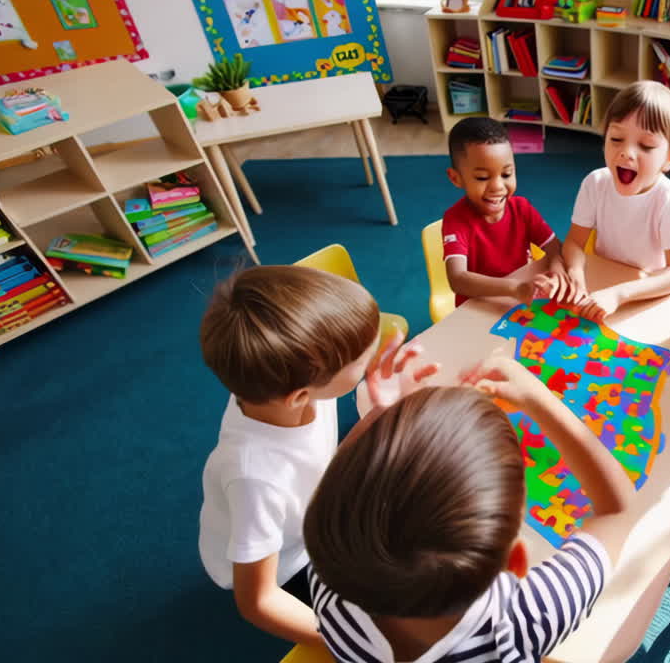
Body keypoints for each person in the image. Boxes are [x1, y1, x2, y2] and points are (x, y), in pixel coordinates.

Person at [303, 355, 637, 662]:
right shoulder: (523, 620)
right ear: (515, 562)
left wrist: (383, 417)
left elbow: (332, 497)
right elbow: (616, 510)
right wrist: (538, 397)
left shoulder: (328, 583)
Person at [197, 265, 435, 650]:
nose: (372, 359)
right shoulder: (255, 478)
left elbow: (329, 461)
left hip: (311, 511)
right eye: (362, 361)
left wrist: (379, 411)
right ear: (300, 396)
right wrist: (343, 644)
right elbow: (257, 601)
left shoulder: (276, 392)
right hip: (288, 565)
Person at [557, 81, 670, 322]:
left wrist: (620, 294)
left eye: (646, 145)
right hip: (601, 284)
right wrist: (576, 273)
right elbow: (574, 243)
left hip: (645, 295)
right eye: (616, 139)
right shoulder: (595, 183)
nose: (627, 152)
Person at [440, 116, 567, 307]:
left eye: (507, 174)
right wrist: (514, 288)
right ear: (456, 178)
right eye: (482, 177)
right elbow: (458, 279)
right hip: (479, 307)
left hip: (523, 300)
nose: (498, 187)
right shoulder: (455, 220)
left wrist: (557, 273)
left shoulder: (522, 208)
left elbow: (556, 248)